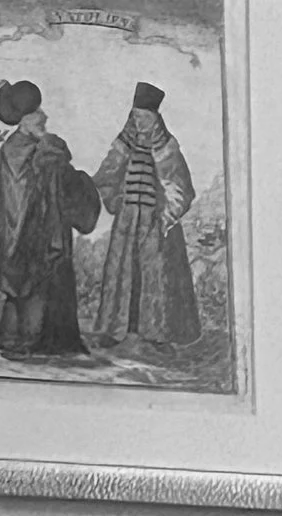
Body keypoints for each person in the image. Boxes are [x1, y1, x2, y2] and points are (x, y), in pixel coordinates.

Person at [0, 81, 98, 361]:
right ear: (23, 120)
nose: (44, 116)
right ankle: (35, 343)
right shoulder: (40, 152)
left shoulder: (8, 150)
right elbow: (50, 185)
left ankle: (12, 339)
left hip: (15, 239)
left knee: (20, 288)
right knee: (39, 283)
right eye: (37, 113)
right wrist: (82, 181)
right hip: (38, 238)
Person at [91, 79, 197, 355]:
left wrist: (164, 219)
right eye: (135, 116)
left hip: (156, 223)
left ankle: (157, 335)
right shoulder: (124, 144)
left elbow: (181, 188)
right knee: (121, 274)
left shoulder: (167, 146)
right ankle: (114, 330)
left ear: (155, 118)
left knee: (156, 276)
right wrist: (114, 202)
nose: (138, 122)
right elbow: (105, 176)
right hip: (127, 221)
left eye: (144, 117)